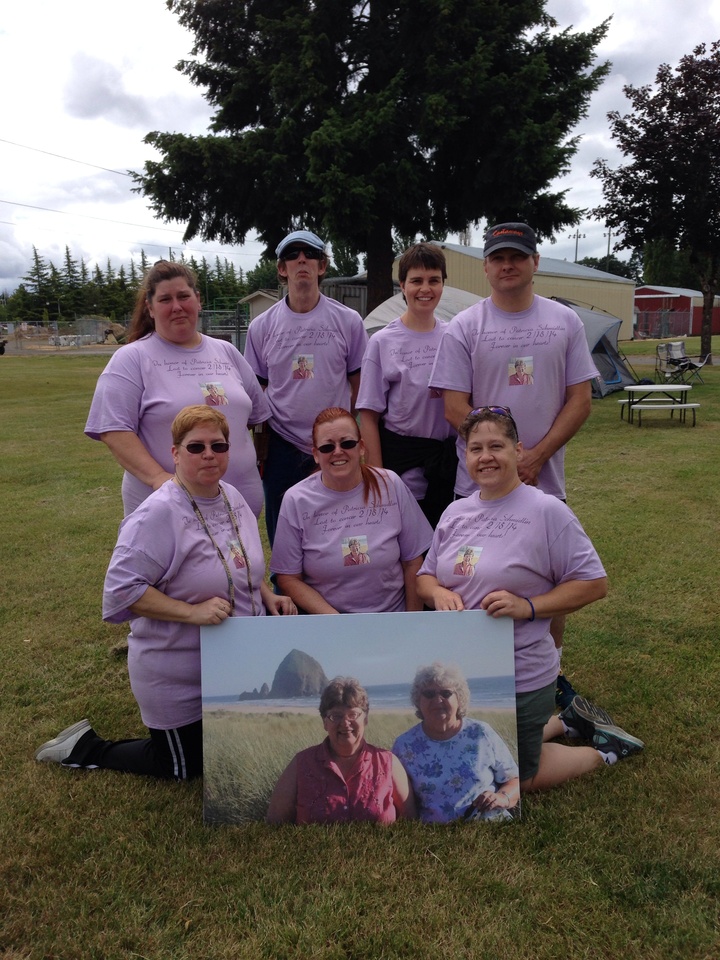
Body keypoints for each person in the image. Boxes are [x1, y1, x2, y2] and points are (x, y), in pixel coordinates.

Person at [35, 407, 296, 780]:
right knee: (183, 766)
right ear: (175, 453)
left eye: (218, 446)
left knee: (240, 745)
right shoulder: (157, 514)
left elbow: (240, 562)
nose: (209, 454)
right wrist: (191, 612)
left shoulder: (232, 496)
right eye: (196, 447)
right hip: (179, 669)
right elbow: (120, 591)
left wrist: (266, 595)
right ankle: (83, 747)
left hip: (234, 660)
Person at [416, 407, 644, 795]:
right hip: (465, 672)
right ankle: (567, 721)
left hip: (521, 671)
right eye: (475, 448)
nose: (485, 457)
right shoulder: (456, 512)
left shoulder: (546, 511)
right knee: (470, 758)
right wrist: (438, 592)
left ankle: (603, 751)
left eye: (496, 446)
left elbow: (594, 583)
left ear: (518, 450)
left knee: (512, 775)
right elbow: (425, 578)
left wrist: (529, 607)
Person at [429, 222, 600, 705]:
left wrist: (535, 456)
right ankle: (480, 680)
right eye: (499, 257)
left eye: (517, 256)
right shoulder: (465, 326)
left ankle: (549, 675)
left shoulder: (564, 322)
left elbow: (580, 399)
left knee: (551, 575)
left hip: (543, 478)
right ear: (486, 266)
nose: (508, 265)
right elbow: (454, 407)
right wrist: (499, 457)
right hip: (480, 482)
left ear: (535, 262)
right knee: (475, 576)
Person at [85, 260, 269, 518]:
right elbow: (114, 430)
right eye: (165, 300)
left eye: (183, 296)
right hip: (169, 509)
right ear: (150, 308)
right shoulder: (132, 358)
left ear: (198, 300)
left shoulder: (226, 352)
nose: (177, 307)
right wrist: (159, 478)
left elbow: (253, 418)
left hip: (239, 509)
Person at [244, 230, 368, 544]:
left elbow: (361, 386)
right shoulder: (261, 327)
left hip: (334, 446)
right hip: (282, 446)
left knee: (336, 532)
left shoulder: (348, 321)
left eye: (310, 254)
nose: (302, 260)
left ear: (322, 266)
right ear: (282, 268)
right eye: (292, 255)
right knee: (283, 534)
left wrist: (343, 430)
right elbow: (255, 390)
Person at [271, 407, 433, 614]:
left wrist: (411, 619)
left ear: (361, 447)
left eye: (347, 443)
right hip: (329, 622)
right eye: (327, 447)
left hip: (392, 617)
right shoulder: (296, 500)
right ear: (316, 455)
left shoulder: (390, 484)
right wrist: (336, 620)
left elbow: (413, 562)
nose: (338, 451)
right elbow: (288, 578)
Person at [357, 242, 456, 528]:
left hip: (449, 470)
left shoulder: (454, 337)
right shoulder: (382, 342)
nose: (425, 289)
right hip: (404, 471)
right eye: (416, 281)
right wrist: (378, 479)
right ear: (402, 285)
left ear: (443, 284)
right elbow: (368, 416)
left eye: (433, 280)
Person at [267, 677, 415, 824]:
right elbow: (274, 823)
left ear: (365, 719)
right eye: (335, 716)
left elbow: (411, 823)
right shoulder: (301, 764)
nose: (345, 723)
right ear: (325, 722)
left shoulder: (388, 763)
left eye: (353, 715)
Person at [392, 662, 520, 822]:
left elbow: (514, 780)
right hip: (433, 832)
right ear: (418, 700)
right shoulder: (404, 745)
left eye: (446, 693)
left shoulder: (481, 732)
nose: (438, 700)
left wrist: (502, 797)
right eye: (429, 694)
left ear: (459, 698)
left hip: (491, 826)